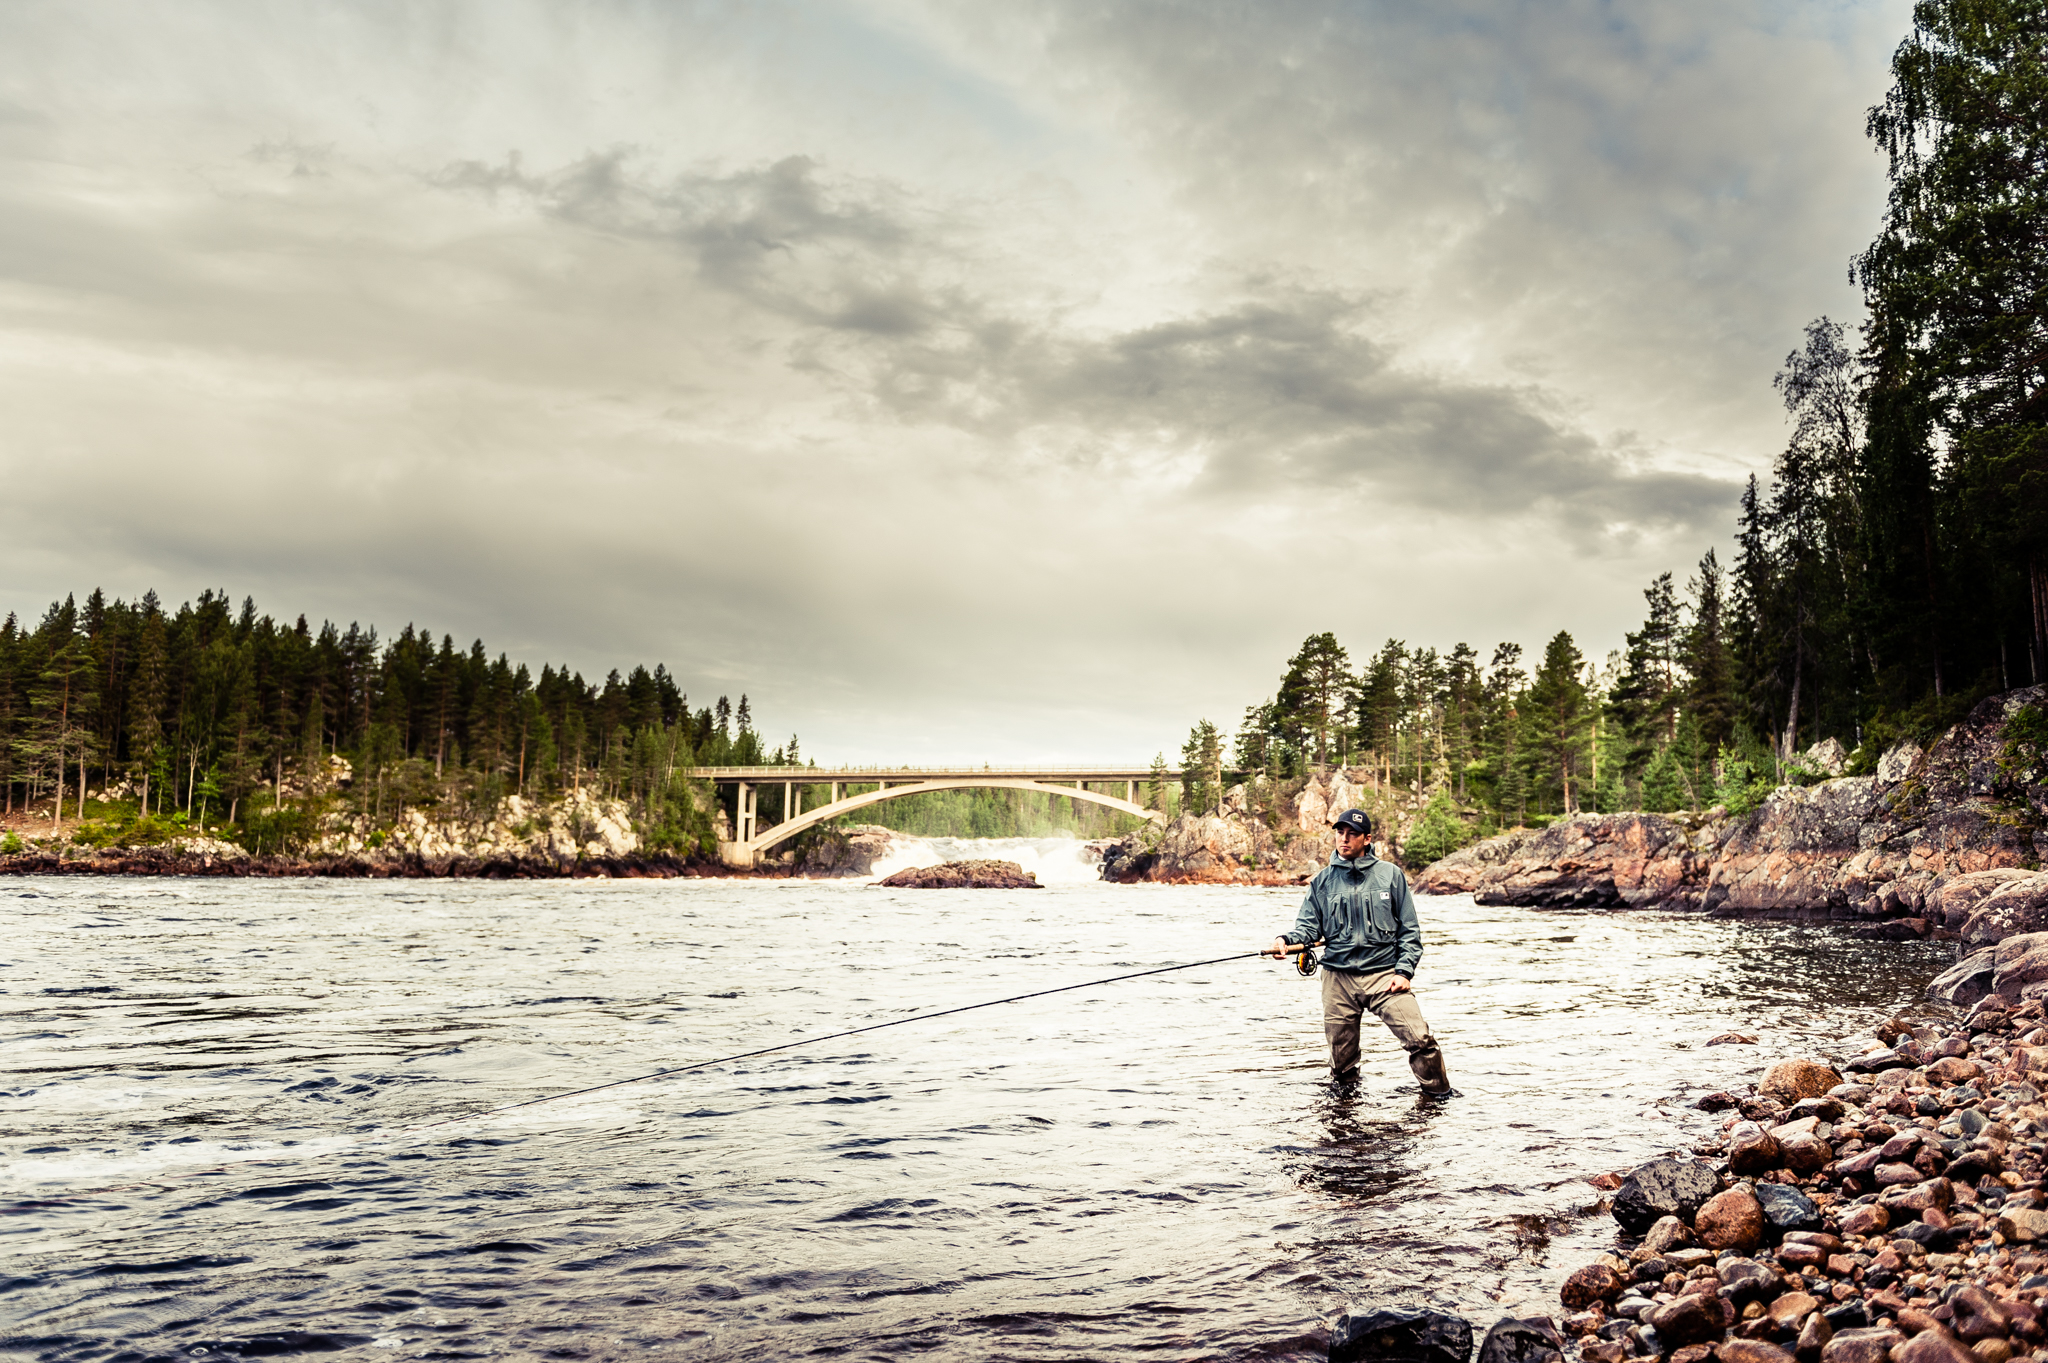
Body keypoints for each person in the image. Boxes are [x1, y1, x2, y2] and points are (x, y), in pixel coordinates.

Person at [1266, 808, 1455, 1097]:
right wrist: (1285, 940)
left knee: (1420, 1039)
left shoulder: (1391, 875)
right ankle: (1346, 1122)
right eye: (1340, 832)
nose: (1344, 838)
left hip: (1385, 975)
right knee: (1342, 1065)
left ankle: (1439, 1100)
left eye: (1352, 833)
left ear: (1366, 839)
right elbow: (1307, 928)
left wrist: (1404, 971)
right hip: (1337, 979)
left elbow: (1410, 931)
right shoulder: (1321, 882)